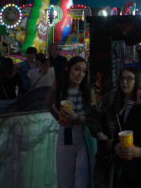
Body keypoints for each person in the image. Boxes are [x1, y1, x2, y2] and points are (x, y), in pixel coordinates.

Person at [47, 56, 96, 188]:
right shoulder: (58, 87)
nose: (80, 74)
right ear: (68, 69)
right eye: (77, 69)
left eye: (84, 71)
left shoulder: (87, 90)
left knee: (82, 182)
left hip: (84, 140)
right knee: (64, 182)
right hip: (64, 139)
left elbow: (93, 118)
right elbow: (49, 105)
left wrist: (78, 118)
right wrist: (60, 120)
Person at [88, 66, 140, 188]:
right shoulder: (111, 98)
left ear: (136, 80)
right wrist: (101, 135)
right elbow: (92, 115)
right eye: (122, 79)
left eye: (129, 79)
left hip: (133, 157)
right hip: (109, 156)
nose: (124, 82)